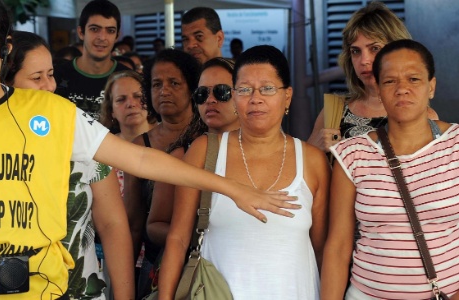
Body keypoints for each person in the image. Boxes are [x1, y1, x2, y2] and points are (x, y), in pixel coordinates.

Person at [0, 1, 301, 299]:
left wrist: (231, 187)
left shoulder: (50, 112)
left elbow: (137, 158)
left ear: (4, 49)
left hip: (36, 284)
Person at [158, 45, 330, 300]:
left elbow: (323, 250)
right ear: (236, 97)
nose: (256, 98)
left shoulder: (313, 160)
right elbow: (178, 239)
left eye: (268, 88)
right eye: (245, 89)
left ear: (288, 96)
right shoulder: (204, 150)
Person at [322, 39, 459, 300]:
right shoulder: (353, 154)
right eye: (389, 81)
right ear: (380, 91)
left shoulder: (456, 145)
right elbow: (338, 247)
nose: (402, 89)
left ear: (432, 86)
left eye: (414, 79)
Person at [4, 30, 134, 300]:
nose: (49, 86)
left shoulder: (72, 123)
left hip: (79, 290)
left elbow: (112, 223)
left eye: (50, 74)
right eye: (36, 78)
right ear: (5, 82)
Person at [307, 1, 438, 153]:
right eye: (356, 51)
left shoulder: (423, 115)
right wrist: (314, 151)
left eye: (375, 48)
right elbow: (305, 172)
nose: (364, 61)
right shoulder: (333, 112)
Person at [122, 49, 200, 299]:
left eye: (174, 83)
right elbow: (133, 223)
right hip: (156, 261)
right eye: (156, 84)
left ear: (191, 88)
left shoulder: (208, 139)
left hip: (208, 261)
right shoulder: (138, 146)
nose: (164, 90)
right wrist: (126, 282)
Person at [146, 57, 239, 248]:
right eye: (202, 94)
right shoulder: (182, 155)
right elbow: (154, 226)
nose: (210, 100)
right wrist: (204, 241)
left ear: (243, 94)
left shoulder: (268, 151)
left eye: (222, 92)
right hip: (200, 270)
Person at [53, 0, 130, 120]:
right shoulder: (56, 77)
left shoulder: (128, 80)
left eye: (110, 31)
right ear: (81, 32)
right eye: (94, 29)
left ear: (117, 36)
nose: (102, 37)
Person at [100, 70, 156, 196]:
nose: (131, 104)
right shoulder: (103, 150)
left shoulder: (168, 138)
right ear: (111, 110)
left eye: (138, 96)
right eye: (121, 99)